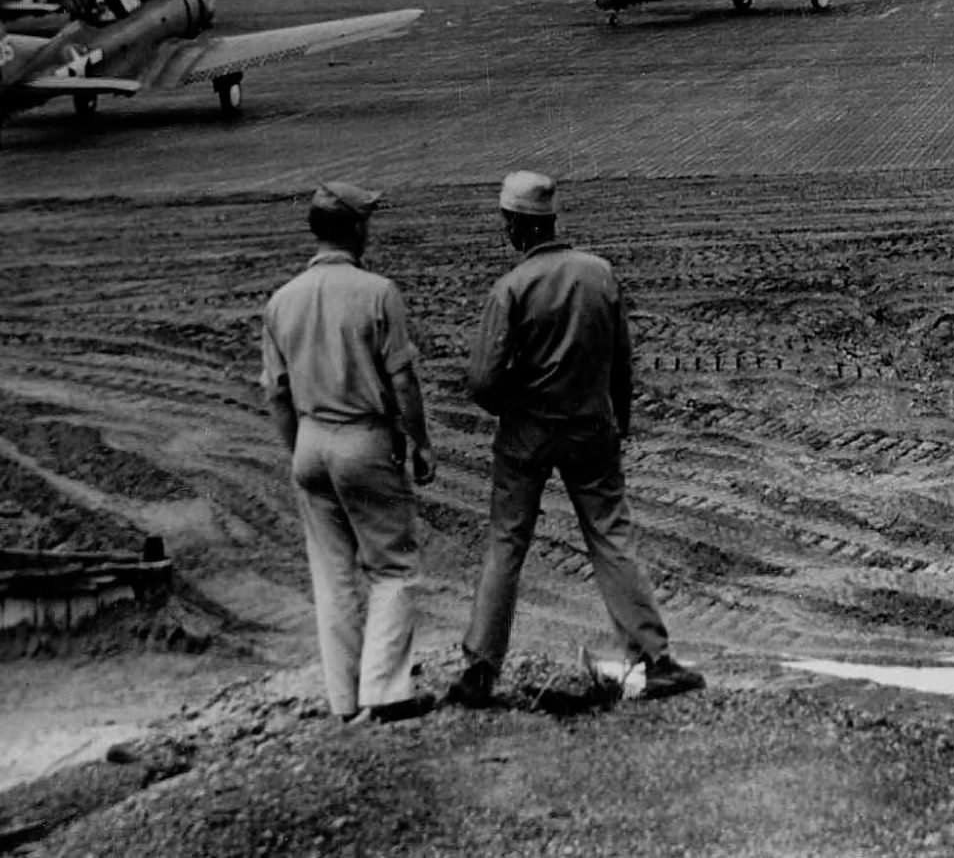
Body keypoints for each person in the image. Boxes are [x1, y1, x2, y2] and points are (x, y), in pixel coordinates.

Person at [447, 170, 704, 707]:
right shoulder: (599, 274)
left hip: (526, 434)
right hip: (591, 426)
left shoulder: (511, 289)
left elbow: (483, 381)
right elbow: (621, 362)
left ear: (516, 226)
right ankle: (655, 660)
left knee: (506, 541)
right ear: (551, 218)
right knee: (611, 535)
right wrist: (619, 421)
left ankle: (480, 668)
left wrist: (512, 409)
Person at [262, 180, 437, 723]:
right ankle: (385, 692)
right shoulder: (377, 292)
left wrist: (298, 451)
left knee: (332, 575)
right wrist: (420, 442)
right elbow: (403, 382)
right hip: (363, 437)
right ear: (357, 228)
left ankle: (344, 697)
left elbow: (276, 392)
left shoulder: (282, 300)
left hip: (311, 439)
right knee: (394, 569)